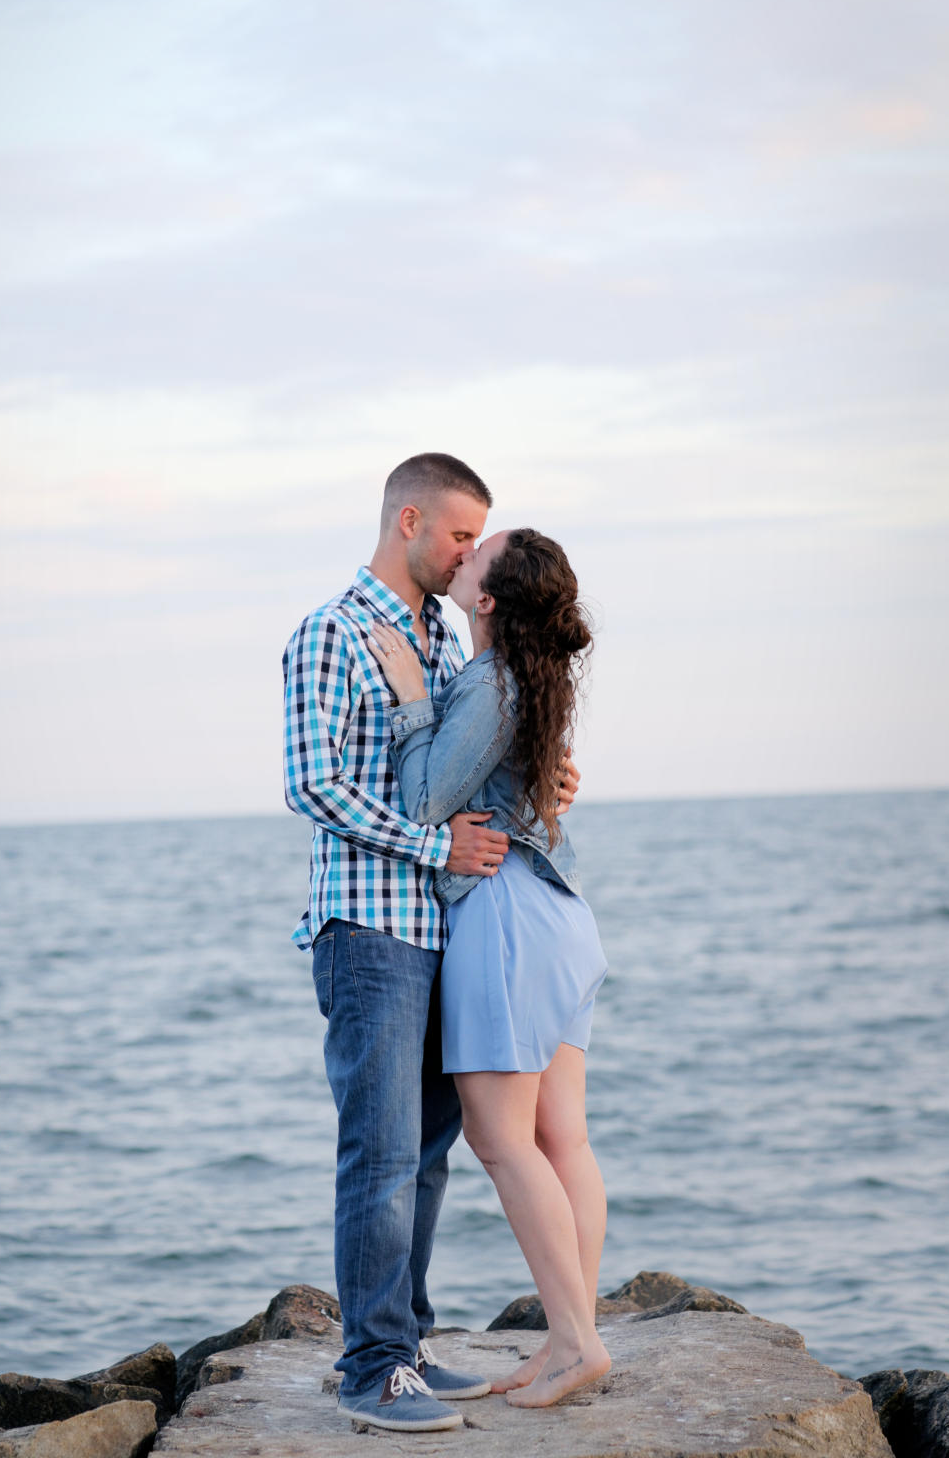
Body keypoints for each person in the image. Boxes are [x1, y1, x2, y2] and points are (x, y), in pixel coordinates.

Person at [282, 455, 579, 1433]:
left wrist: (546, 786)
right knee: (378, 1153)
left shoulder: (444, 643)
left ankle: (403, 1345)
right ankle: (370, 1371)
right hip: (368, 927)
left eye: (473, 544)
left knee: (427, 1155)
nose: (463, 558)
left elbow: (473, 756)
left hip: (442, 930)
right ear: (407, 519)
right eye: (457, 535)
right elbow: (312, 785)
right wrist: (428, 839)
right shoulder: (332, 631)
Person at [366, 526, 610, 1407]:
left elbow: (427, 799)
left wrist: (406, 700)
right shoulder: (530, 681)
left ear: (486, 600)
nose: (460, 558)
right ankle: (563, 1346)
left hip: (506, 916)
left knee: (501, 1140)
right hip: (560, 916)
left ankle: (578, 1344)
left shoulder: (488, 680)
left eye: (475, 556)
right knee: (561, 1139)